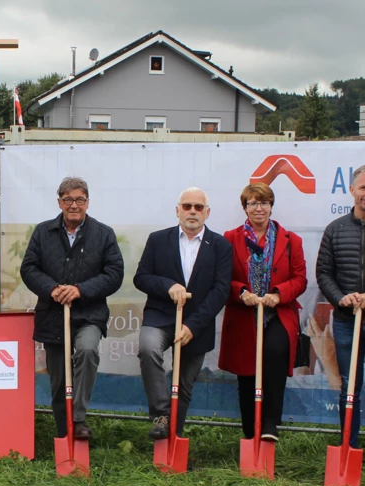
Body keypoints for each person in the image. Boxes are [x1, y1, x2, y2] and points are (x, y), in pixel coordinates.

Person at [20, 177, 124, 439]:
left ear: (87, 202)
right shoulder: (43, 232)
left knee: (87, 350)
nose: (74, 205)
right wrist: (52, 289)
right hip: (52, 316)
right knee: (58, 380)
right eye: (68, 199)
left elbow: (114, 273)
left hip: (89, 315)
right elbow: (29, 268)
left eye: (79, 199)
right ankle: (63, 433)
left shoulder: (103, 234)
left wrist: (80, 290)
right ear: (59, 202)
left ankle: (77, 420)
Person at [134, 187, 232, 440]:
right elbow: (141, 278)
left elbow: (220, 291)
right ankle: (161, 416)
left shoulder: (220, 245)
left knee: (184, 385)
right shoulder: (158, 240)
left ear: (207, 213)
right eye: (187, 206)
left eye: (198, 207)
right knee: (148, 348)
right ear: (177, 210)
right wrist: (168, 286)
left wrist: (193, 326)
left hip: (196, 323)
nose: (192, 211)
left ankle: (173, 435)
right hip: (160, 316)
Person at [218, 183, 307, 441]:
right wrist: (241, 291)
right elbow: (221, 277)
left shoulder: (291, 240)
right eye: (253, 203)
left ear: (271, 206)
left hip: (277, 312)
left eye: (264, 203)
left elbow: (300, 278)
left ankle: (269, 425)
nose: (259, 208)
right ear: (244, 208)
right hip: (243, 314)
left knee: (275, 354)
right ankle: (249, 431)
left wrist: (279, 294)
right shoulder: (230, 238)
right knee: (247, 371)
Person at [316, 163, 365, 448]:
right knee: (349, 388)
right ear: (352, 190)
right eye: (362, 188)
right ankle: (349, 446)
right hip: (348, 320)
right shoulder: (335, 230)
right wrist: (340, 298)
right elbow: (323, 272)